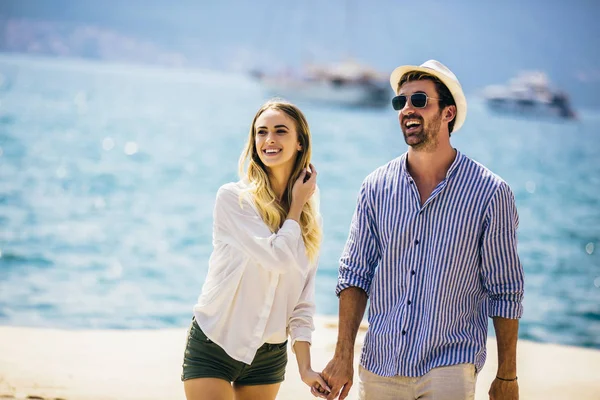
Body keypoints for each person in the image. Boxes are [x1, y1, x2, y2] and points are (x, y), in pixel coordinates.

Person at [320, 60, 525, 400]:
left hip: (450, 364)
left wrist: (507, 375)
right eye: (400, 102)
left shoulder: (490, 193)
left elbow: (504, 288)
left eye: (419, 100)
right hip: (380, 363)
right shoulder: (375, 187)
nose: (407, 110)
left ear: (448, 113)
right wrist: (343, 354)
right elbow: (355, 274)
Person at [181, 99, 331, 400]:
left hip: (269, 358)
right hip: (215, 342)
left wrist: (305, 368)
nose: (269, 140)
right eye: (261, 133)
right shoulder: (234, 200)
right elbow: (275, 258)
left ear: (300, 143)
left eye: (280, 131)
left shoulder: (309, 222)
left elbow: (302, 304)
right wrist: (297, 205)